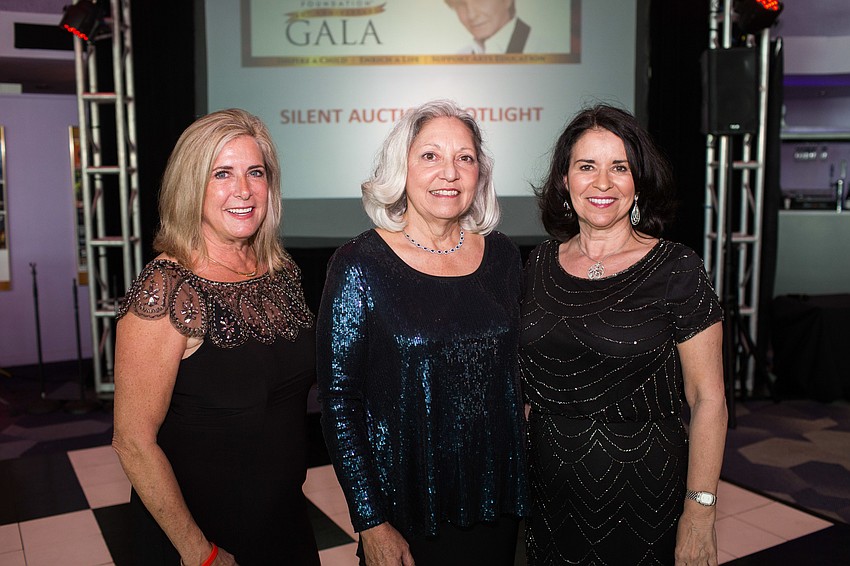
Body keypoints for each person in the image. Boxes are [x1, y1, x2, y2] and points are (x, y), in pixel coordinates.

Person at [317, 99, 527, 566]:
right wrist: (370, 520)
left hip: (494, 503)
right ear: (402, 168)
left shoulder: (503, 257)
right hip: (404, 510)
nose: (449, 172)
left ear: (480, 173)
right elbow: (339, 401)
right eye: (430, 155)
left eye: (464, 158)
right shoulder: (359, 265)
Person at [519, 104, 727, 565]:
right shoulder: (537, 265)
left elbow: (708, 398)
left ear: (638, 183)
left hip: (644, 495)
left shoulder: (677, 268)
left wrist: (700, 512)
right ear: (564, 180)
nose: (603, 183)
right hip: (548, 493)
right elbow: (528, 391)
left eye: (619, 168)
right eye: (586, 166)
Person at [112, 108, 320, 566]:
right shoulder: (167, 290)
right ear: (191, 187)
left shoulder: (281, 271)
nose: (243, 190)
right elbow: (132, 441)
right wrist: (199, 551)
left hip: (284, 520)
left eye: (255, 173)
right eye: (221, 173)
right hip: (201, 536)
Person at [445, 0, 531, 54]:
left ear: (507, 1)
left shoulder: (535, 48)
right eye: (460, 4)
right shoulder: (459, 59)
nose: (471, 15)